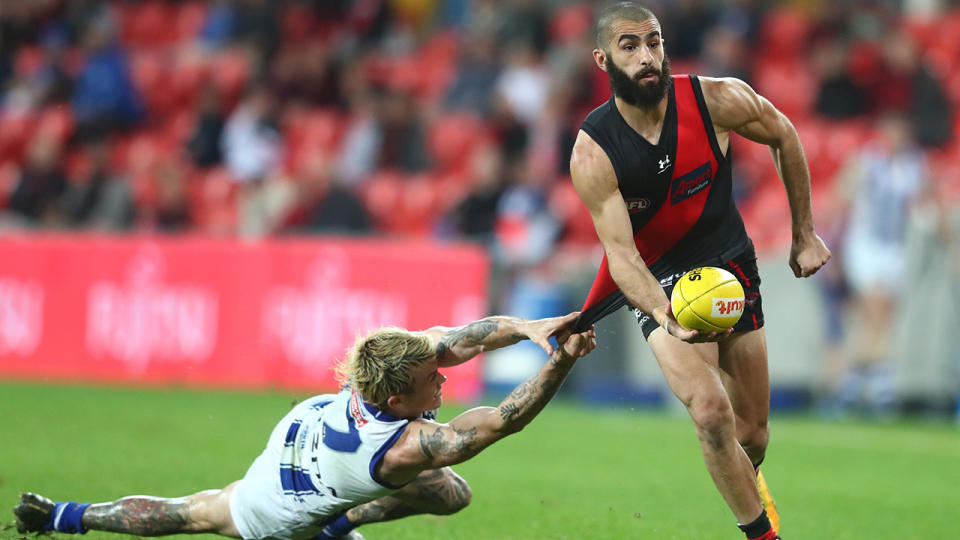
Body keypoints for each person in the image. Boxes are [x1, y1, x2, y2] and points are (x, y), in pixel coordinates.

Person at [568, 4, 830, 540]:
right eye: (629, 46)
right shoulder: (594, 152)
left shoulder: (715, 98)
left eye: (654, 42)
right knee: (711, 413)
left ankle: (748, 483)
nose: (647, 56)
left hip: (729, 263)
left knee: (752, 434)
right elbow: (621, 257)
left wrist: (804, 233)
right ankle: (763, 535)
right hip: (660, 276)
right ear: (602, 59)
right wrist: (665, 316)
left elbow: (784, 134)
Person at [13, 312, 595, 539]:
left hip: (301, 429)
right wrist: (562, 360)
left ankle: (65, 516)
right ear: (397, 401)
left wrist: (531, 328)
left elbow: (459, 340)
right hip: (277, 514)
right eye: (431, 383)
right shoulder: (401, 447)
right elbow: (500, 422)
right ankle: (69, 519)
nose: (442, 383)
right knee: (196, 517)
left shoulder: (388, 368)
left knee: (453, 495)